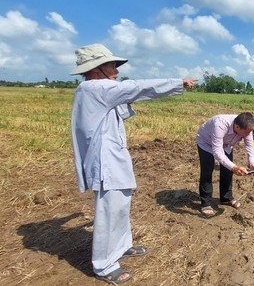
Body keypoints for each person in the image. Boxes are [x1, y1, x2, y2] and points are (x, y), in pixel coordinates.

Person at [70, 43, 197, 284]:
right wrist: (177, 83)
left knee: (120, 205)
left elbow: (124, 103)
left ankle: (121, 246)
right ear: (97, 69)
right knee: (109, 209)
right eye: (112, 65)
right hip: (105, 161)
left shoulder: (94, 89)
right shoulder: (95, 88)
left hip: (113, 156)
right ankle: (104, 264)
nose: (117, 70)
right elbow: (136, 88)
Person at [196, 113, 254, 216]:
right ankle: (206, 203)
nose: (248, 134)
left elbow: (250, 145)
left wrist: (251, 162)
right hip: (206, 143)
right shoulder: (220, 124)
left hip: (226, 145)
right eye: (246, 132)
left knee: (228, 171)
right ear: (237, 127)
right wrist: (234, 167)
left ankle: (226, 198)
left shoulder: (247, 128)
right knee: (207, 171)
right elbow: (217, 152)